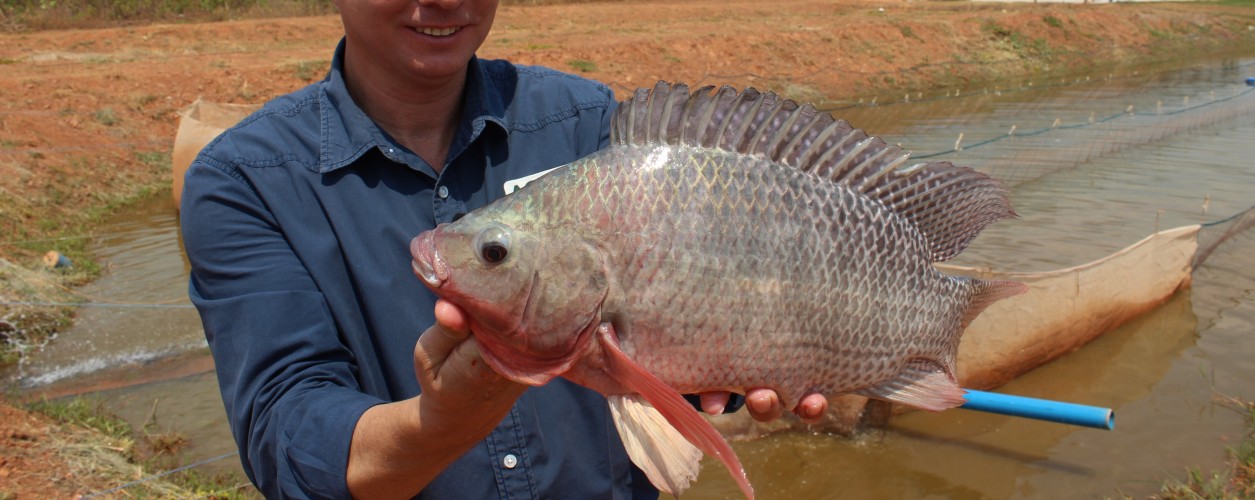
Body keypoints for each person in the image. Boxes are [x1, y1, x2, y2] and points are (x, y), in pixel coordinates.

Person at [181, 1, 827, 498]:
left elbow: (690, 307)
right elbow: (287, 438)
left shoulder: (591, 124)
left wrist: (736, 358)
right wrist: (441, 422)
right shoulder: (243, 182)